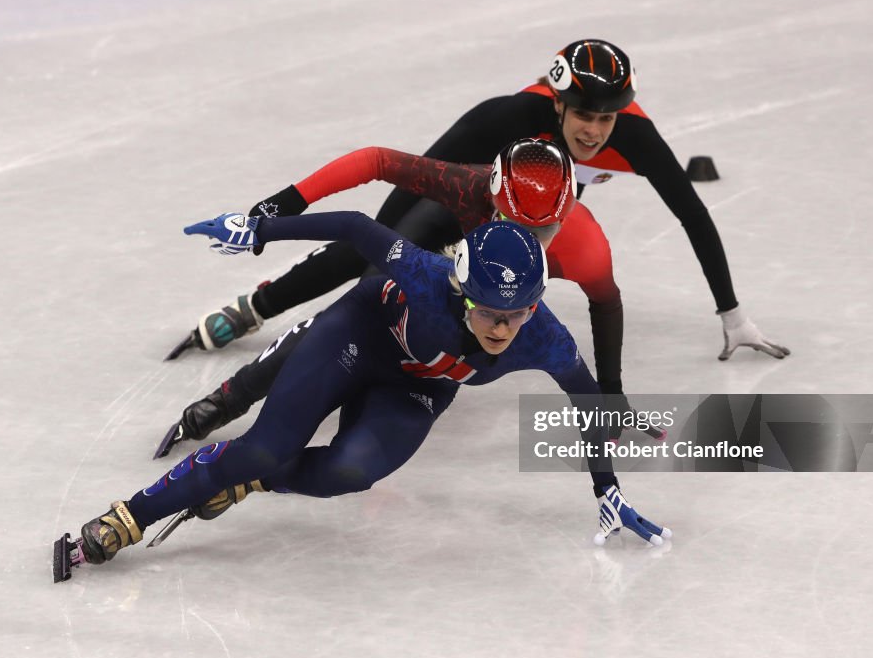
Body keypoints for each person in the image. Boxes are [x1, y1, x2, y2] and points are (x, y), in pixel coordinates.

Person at [54, 214, 671, 582]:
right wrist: (259, 230)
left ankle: (243, 483)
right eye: (489, 311)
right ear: (461, 291)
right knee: (266, 448)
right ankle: (127, 518)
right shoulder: (428, 277)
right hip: (357, 336)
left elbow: (590, 406)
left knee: (350, 473)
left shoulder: (545, 340)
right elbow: (353, 229)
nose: (503, 328)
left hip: (415, 389)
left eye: (518, 313)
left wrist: (605, 487)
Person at [172, 38, 788, 367]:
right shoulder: (504, 118)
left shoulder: (634, 136)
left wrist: (732, 313)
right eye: (584, 116)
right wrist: (277, 208)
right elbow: (386, 176)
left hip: (542, 205)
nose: (596, 131)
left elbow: (692, 214)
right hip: (478, 182)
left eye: (607, 118)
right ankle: (257, 306)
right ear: (555, 104)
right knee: (371, 248)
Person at [155, 138, 668, 460]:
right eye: (513, 222)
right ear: (491, 198)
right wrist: (284, 206)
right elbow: (377, 161)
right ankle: (229, 393)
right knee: (362, 278)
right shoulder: (468, 188)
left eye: (545, 230)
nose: (528, 241)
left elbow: (606, 304)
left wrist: (611, 393)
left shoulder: (586, 248)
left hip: (475, 292)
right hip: (444, 243)